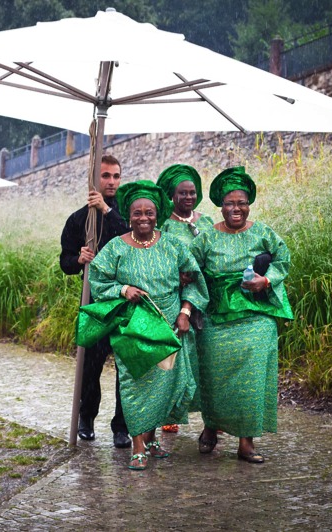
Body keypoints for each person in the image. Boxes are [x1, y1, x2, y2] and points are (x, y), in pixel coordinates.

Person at [88, 180, 208, 470]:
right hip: (133, 326)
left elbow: (194, 279)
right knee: (134, 384)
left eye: (150, 213)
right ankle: (137, 444)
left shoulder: (173, 246)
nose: (144, 218)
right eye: (137, 213)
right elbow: (97, 278)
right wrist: (122, 289)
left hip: (169, 324)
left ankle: (151, 437)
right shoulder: (116, 247)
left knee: (163, 385)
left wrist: (185, 311)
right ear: (128, 215)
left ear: (158, 215)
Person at [190, 166, 294, 463]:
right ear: (219, 206)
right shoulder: (206, 237)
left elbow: (283, 260)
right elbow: (189, 267)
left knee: (251, 378)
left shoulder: (263, 232)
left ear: (249, 204)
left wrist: (267, 280)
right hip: (215, 317)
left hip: (254, 315)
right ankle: (211, 427)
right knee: (214, 376)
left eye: (242, 203)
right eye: (229, 203)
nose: (236, 209)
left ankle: (246, 442)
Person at [59, 154, 131, 448]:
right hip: (93, 300)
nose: (111, 181)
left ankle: (122, 427)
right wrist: (79, 258)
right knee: (90, 364)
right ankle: (86, 419)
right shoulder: (78, 220)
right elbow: (64, 261)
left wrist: (106, 211)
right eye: (105, 176)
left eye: (116, 176)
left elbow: (130, 237)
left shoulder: (130, 213)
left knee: (126, 366)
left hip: (126, 299)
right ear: (94, 179)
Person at [155, 163, 214, 433]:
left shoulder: (206, 222)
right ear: (172, 195)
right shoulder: (164, 224)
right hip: (175, 299)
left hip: (205, 298)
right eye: (182, 193)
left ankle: (212, 418)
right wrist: (173, 276)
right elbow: (157, 257)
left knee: (207, 358)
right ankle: (171, 412)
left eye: (192, 193)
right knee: (179, 357)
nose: (188, 198)